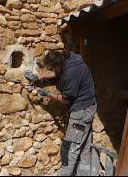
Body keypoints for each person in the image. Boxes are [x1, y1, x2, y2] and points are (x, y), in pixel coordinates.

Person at [24, 29, 97, 176]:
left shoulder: (71, 73)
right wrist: (39, 77)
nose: (51, 71)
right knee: (84, 147)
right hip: (88, 108)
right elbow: (57, 73)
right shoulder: (68, 59)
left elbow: (65, 100)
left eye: (52, 68)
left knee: (69, 149)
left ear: (58, 65)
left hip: (81, 112)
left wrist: (48, 94)